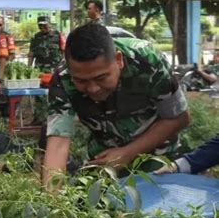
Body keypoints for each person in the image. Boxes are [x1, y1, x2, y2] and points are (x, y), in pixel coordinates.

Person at [43, 24, 190, 186]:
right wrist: (52, 203)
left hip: (157, 155)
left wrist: (127, 153)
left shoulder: (146, 60)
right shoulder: (63, 78)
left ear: (119, 61)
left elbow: (179, 118)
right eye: (81, 81)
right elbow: (58, 144)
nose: (93, 88)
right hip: (104, 158)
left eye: (101, 78)